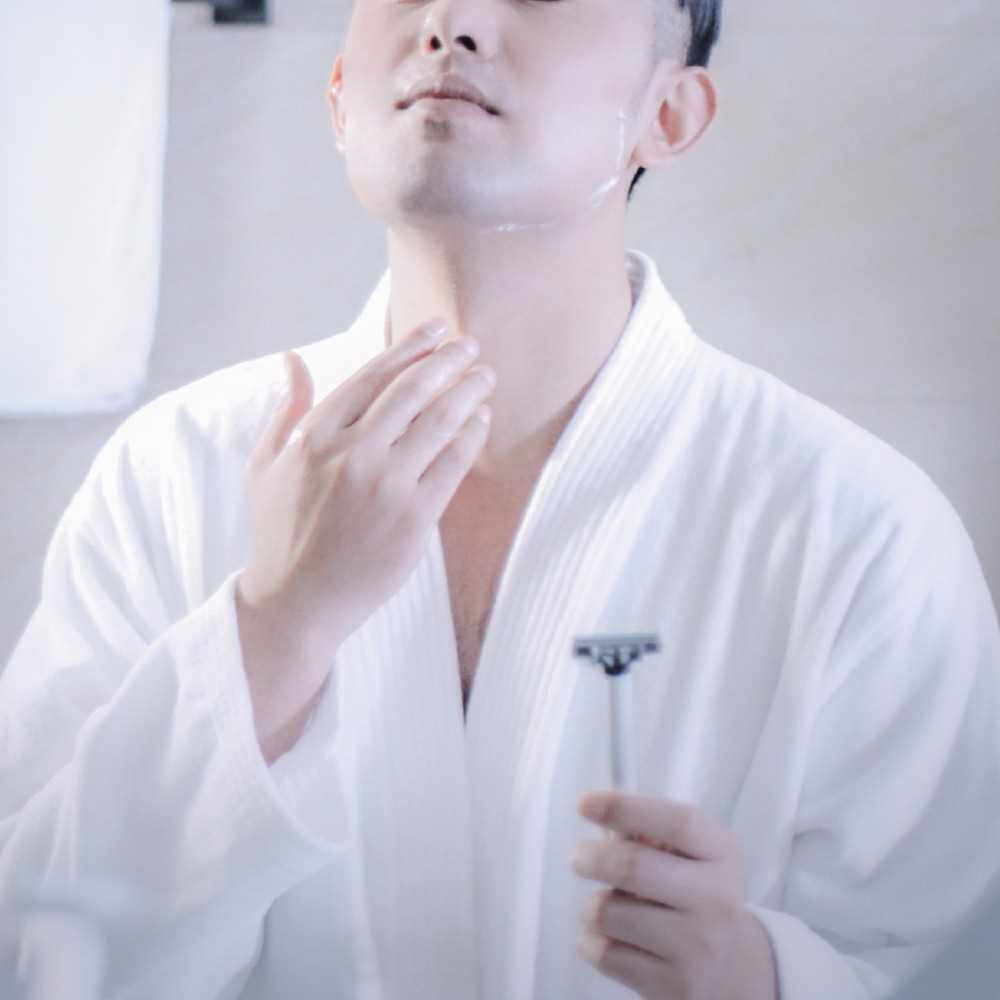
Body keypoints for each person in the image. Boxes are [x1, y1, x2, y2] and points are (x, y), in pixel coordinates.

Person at [2, 1, 999, 998]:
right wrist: (274, 632)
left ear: (668, 114)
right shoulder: (168, 479)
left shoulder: (860, 538)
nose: (452, 18)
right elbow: (28, 946)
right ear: (341, 95)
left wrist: (763, 979)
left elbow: (945, 962)